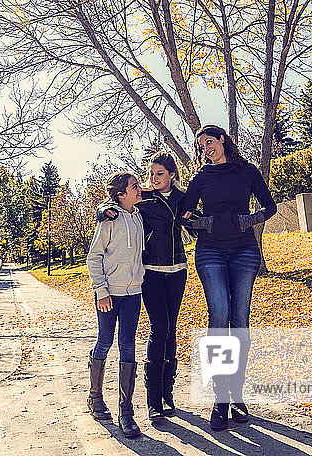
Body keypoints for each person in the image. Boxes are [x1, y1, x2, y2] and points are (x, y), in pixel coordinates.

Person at [180, 125, 277, 431]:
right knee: (219, 316)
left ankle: (237, 393)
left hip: (244, 252)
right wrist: (210, 224)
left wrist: (245, 221)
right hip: (210, 252)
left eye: (209, 142)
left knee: (240, 319)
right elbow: (185, 214)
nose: (205, 148)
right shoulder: (201, 178)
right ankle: (220, 399)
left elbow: (269, 207)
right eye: (201, 146)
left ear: (222, 139)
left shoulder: (247, 171)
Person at [97, 152, 191, 422]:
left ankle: (166, 392)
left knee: (171, 329)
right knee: (159, 328)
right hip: (151, 272)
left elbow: (195, 214)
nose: (153, 179)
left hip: (177, 270)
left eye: (159, 173)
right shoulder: (144, 197)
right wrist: (102, 210)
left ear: (172, 174)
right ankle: (153, 400)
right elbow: (112, 202)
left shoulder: (182, 197)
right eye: (150, 174)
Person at [86, 172, 145, 438]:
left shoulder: (139, 216)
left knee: (128, 345)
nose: (139, 188)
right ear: (121, 194)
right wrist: (101, 291)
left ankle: (126, 410)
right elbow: (93, 257)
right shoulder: (109, 219)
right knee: (105, 342)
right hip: (109, 294)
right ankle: (95, 397)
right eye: (134, 187)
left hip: (134, 294)